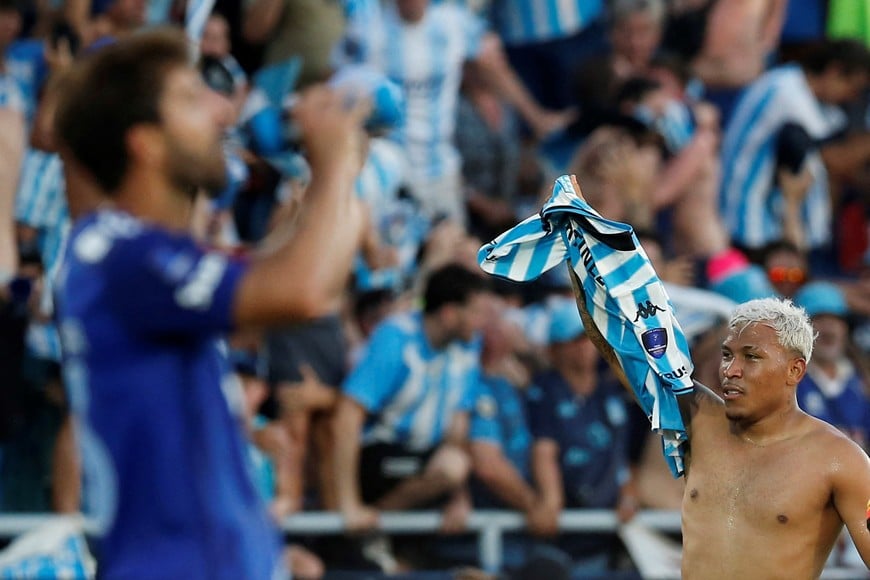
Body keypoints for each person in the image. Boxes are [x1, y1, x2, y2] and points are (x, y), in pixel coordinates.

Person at [52, 28, 368, 578]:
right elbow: (303, 289)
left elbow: (286, 271)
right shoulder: (116, 254)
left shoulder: (146, 256)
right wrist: (336, 162)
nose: (222, 117)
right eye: (192, 101)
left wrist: (335, 174)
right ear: (144, 142)